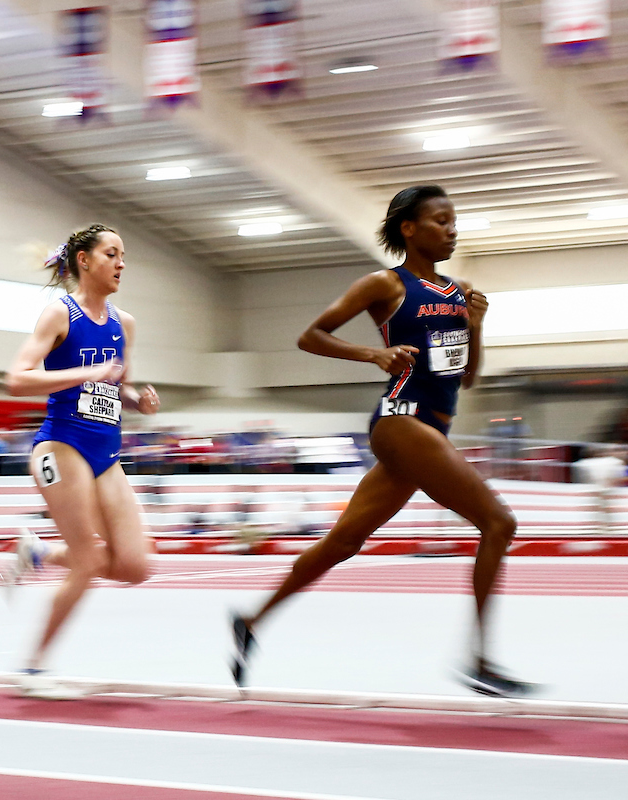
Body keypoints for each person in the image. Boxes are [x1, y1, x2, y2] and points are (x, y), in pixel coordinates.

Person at [227, 185, 533, 698]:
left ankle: (251, 621)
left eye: (454, 222)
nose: (452, 230)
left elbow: (467, 379)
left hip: (431, 427)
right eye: (441, 221)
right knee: (499, 522)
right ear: (410, 229)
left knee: (344, 542)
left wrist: (476, 326)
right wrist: (373, 355)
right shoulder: (384, 285)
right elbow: (312, 336)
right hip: (399, 421)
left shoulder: (461, 293)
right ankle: (479, 658)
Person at [4, 223, 160, 699]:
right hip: (61, 445)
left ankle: (37, 553)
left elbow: (116, 385)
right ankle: (31, 670)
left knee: (135, 566)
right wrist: (88, 370)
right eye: (112, 253)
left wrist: (137, 399)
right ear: (84, 261)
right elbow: (16, 379)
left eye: (124, 254)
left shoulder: (124, 322)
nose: (121, 263)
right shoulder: (59, 315)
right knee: (90, 560)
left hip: (106, 452)